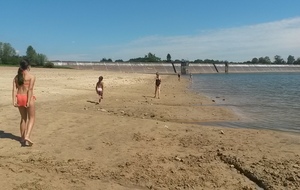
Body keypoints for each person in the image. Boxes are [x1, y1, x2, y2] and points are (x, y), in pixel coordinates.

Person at [12, 60, 36, 146]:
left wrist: (14, 101)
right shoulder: (31, 77)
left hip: (19, 97)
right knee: (32, 118)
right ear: (28, 66)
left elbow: (14, 89)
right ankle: (27, 136)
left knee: (23, 118)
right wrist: (29, 101)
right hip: (27, 97)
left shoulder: (16, 77)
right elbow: (30, 89)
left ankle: (22, 139)